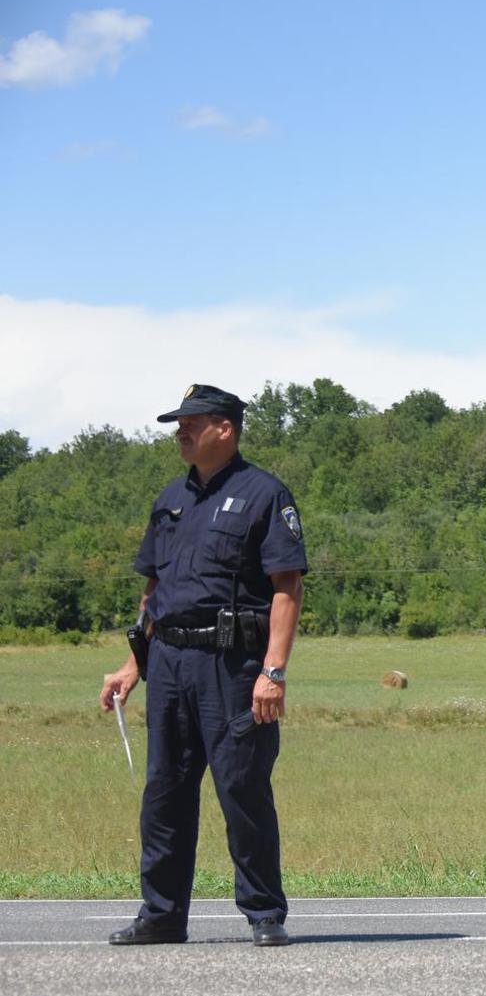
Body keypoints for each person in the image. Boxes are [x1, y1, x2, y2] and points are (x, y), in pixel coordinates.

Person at [99, 384, 307, 947]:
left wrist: (274, 670)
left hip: (233, 665)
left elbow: (287, 587)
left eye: (192, 422)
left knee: (242, 788)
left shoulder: (264, 493)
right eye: (178, 423)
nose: (180, 431)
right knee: (164, 792)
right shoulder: (170, 497)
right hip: (168, 663)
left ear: (225, 428)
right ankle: (163, 915)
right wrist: (131, 666)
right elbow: (154, 591)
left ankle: (265, 914)